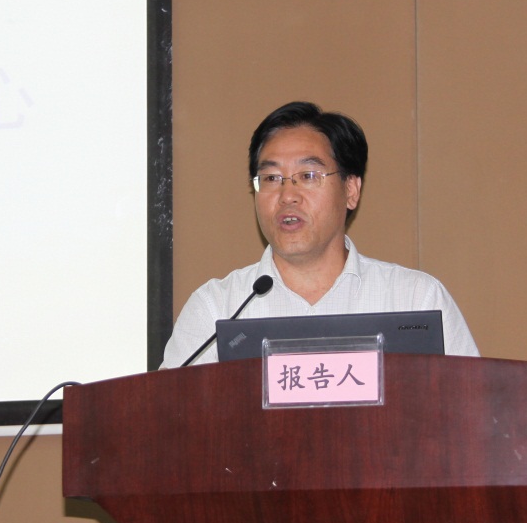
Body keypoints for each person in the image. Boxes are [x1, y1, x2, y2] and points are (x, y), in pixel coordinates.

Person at [162, 100, 479, 367]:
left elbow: (470, 408)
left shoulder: (415, 299)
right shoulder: (217, 308)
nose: (287, 195)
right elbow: (169, 413)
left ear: (351, 190)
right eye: (271, 178)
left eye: (308, 175)